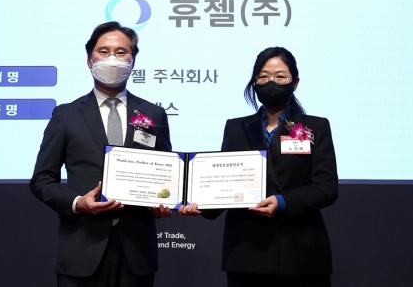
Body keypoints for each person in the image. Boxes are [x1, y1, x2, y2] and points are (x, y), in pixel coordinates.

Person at [179, 46, 338, 287]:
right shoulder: (236, 127)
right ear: (254, 82)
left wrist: (282, 202)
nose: (271, 82)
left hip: (300, 251)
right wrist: (201, 205)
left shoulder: (316, 127)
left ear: (295, 82)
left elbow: (327, 188)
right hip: (246, 250)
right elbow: (225, 181)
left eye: (280, 76)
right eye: (263, 77)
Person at [30, 21, 172, 287]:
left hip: (136, 253)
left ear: (132, 61)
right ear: (89, 60)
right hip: (82, 248)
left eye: (121, 52)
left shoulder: (153, 114)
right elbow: (41, 179)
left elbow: (166, 174)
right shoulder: (66, 115)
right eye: (103, 51)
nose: (112, 59)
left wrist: (165, 199)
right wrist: (77, 202)